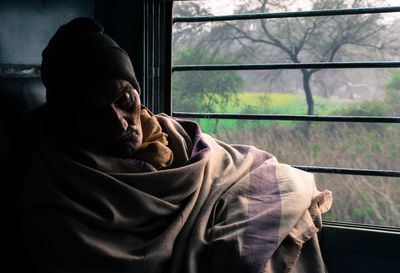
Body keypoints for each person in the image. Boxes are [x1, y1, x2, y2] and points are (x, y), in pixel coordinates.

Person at [19, 17, 332, 273]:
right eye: (95, 112)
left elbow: (235, 166)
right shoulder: (58, 182)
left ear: (136, 92)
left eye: (124, 100)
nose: (120, 122)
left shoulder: (171, 133)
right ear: (69, 120)